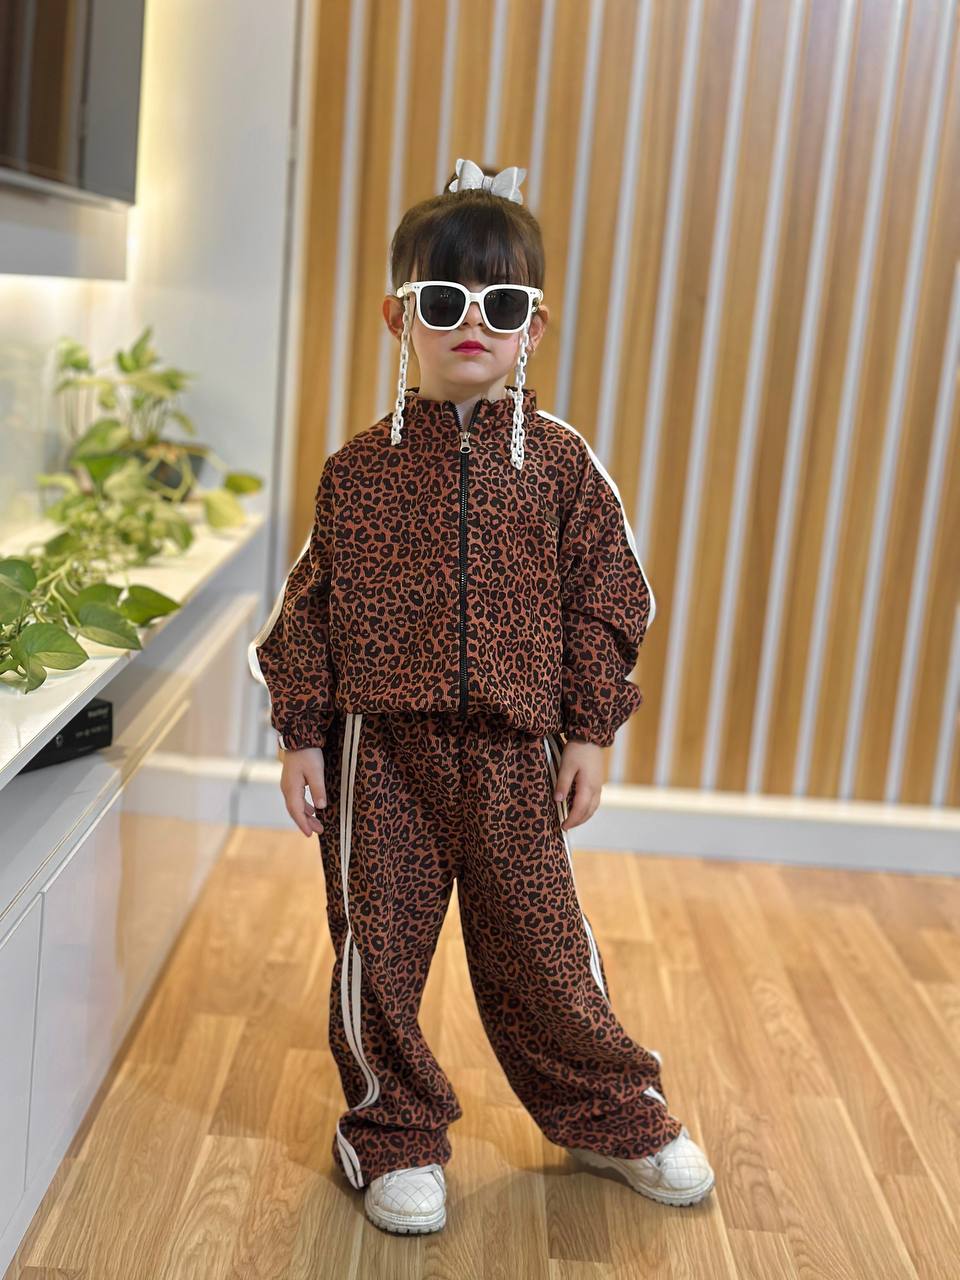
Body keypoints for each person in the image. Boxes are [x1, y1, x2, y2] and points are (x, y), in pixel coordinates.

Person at [248, 157, 715, 1236]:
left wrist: (591, 728)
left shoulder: (560, 466)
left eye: (501, 305)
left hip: (513, 755)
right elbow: (306, 608)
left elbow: (610, 599)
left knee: (545, 949)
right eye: (444, 299)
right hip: (382, 755)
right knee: (378, 951)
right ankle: (393, 1131)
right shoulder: (357, 472)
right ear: (398, 315)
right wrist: (301, 735)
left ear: (533, 327)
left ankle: (608, 1110)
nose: (472, 323)